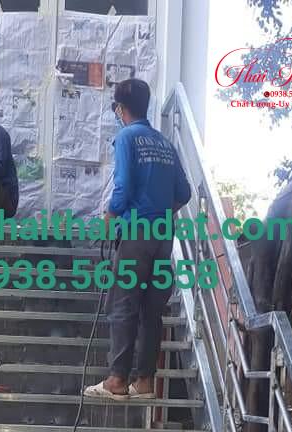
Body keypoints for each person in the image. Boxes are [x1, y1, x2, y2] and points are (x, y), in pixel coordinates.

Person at [85, 78, 191, 400]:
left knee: (123, 305)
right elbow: (184, 193)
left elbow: (124, 186)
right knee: (151, 310)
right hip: (162, 237)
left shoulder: (126, 137)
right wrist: (160, 213)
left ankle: (117, 380)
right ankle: (144, 381)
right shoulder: (165, 144)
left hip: (135, 234)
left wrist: (109, 219)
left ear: (120, 109)